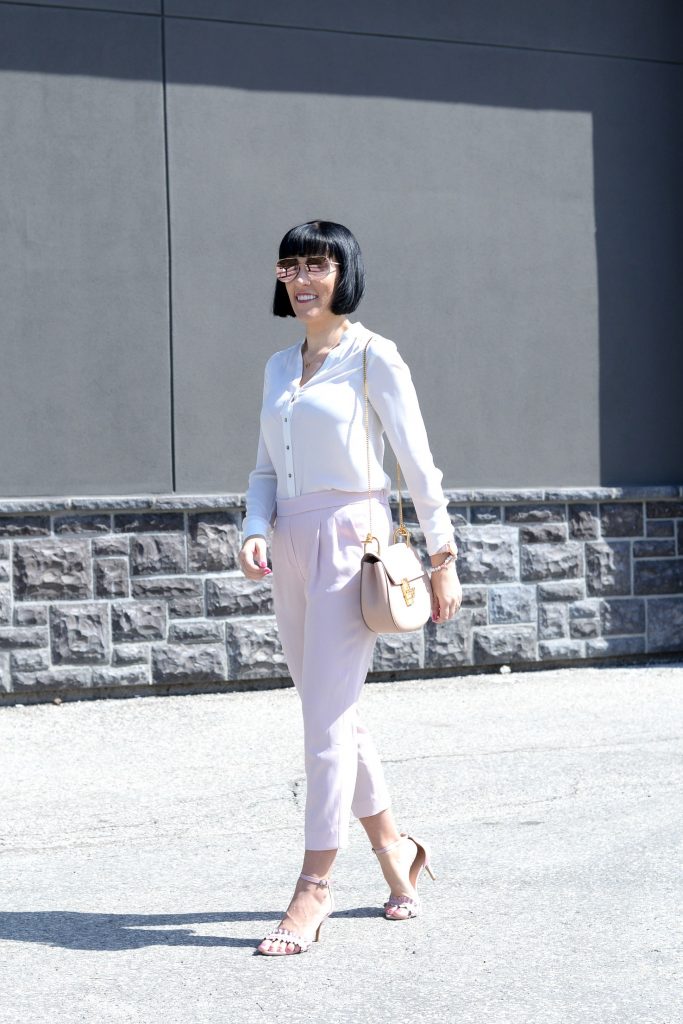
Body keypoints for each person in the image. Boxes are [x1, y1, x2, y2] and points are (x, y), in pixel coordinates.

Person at [238, 220, 462, 956]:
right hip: (291, 547)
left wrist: (441, 554)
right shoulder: (278, 367)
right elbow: (267, 467)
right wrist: (254, 526)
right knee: (331, 712)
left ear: (343, 274)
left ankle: (315, 888)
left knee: (325, 724)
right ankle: (397, 854)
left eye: (318, 265)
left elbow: (416, 460)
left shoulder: (373, 356)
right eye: (291, 266)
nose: (302, 279)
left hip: (351, 540)